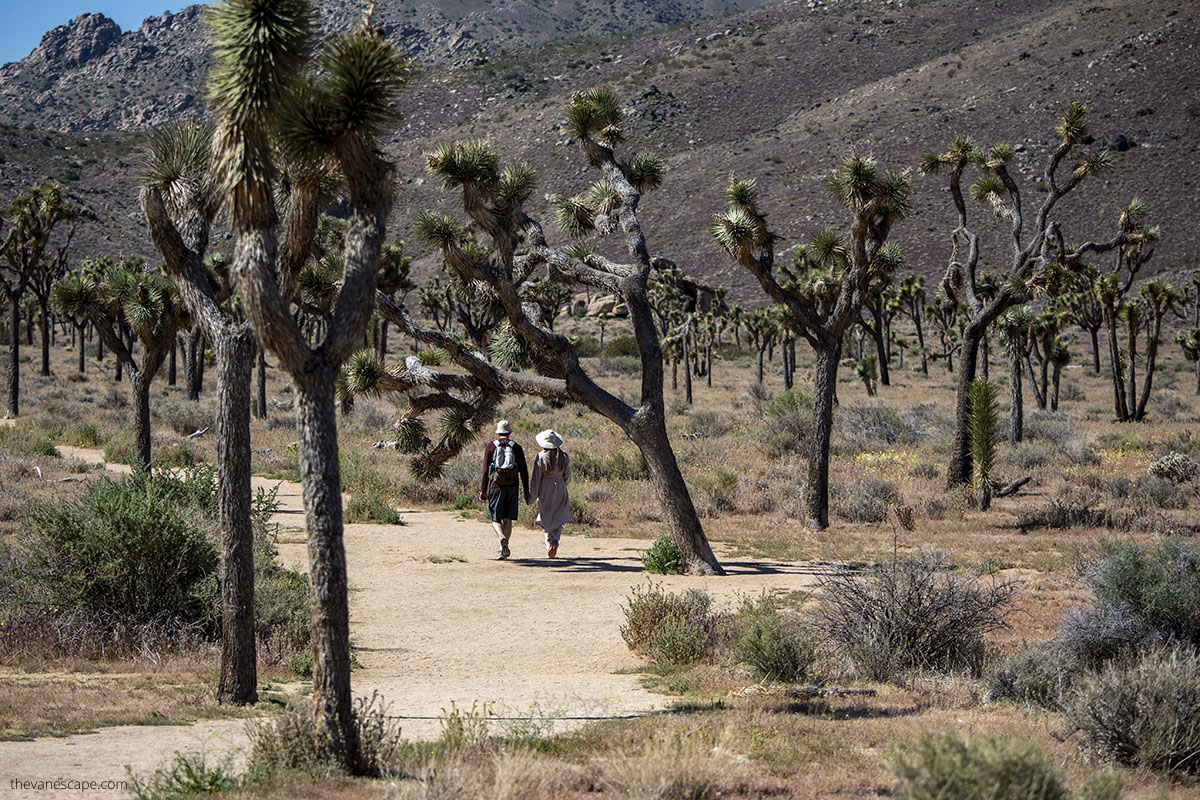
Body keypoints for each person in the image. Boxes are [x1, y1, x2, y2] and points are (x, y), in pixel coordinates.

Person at [479, 420, 529, 560]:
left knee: (495, 518)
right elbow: (524, 471)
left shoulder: (491, 446)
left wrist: (483, 490)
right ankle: (503, 548)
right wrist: (526, 491)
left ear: (498, 432)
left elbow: (485, 470)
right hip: (512, 486)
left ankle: (501, 537)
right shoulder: (516, 447)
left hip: (496, 486)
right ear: (510, 433)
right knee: (508, 519)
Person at [529, 429, 573, 558]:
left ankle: (549, 544)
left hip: (545, 489)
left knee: (546, 516)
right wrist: (562, 484)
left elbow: (536, 478)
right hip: (559, 487)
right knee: (559, 517)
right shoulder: (564, 457)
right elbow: (568, 476)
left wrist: (532, 495)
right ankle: (555, 540)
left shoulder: (540, 457)